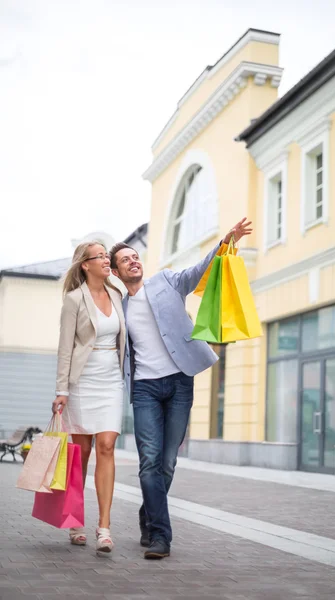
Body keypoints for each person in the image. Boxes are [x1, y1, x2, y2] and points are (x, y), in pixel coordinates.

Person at [109, 218, 252, 559]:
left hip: (179, 381)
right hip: (143, 387)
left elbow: (197, 272)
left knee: (168, 463)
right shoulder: (119, 307)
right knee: (149, 463)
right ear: (116, 271)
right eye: (125, 259)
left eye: (135, 256)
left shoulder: (166, 281)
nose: (133, 260)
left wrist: (224, 243)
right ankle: (161, 536)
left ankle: (149, 514)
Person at [52, 242, 126, 555]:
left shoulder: (117, 295)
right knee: (80, 455)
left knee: (107, 446)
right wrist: (62, 390)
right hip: (82, 382)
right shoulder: (73, 300)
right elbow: (65, 346)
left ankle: (104, 527)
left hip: (111, 381)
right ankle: (74, 521)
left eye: (107, 256)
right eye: (101, 257)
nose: (107, 260)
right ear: (86, 264)